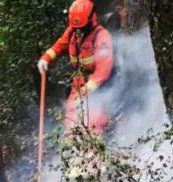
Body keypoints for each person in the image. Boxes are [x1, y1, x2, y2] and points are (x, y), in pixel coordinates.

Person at [38, 0, 116, 134]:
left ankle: (95, 149)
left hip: (98, 86)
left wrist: (87, 90)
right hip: (79, 81)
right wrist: (46, 58)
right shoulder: (73, 31)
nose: (78, 31)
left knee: (94, 120)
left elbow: (103, 70)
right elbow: (60, 45)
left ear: (92, 19)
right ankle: (74, 148)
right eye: (76, 28)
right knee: (71, 116)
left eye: (82, 27)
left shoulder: (101, 36)